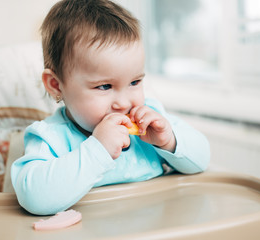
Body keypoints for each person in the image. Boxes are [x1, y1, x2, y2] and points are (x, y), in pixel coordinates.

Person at [11, 0, 210, 215]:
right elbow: (34, 198)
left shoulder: (150, 120)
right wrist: (98, 150)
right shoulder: (51, 138)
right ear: (56, 85)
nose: (124, 103)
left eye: (135, 82)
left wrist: (169, 141)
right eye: (105, 86)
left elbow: (202, 160)